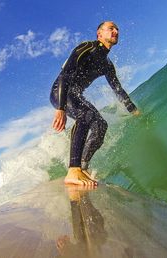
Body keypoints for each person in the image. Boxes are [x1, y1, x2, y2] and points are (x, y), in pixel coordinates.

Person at [50, 21, 140, 186]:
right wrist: (61, 109)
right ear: (99, 33)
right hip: (61, 92)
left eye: (117, 29)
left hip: (76, 95)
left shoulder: (107, 65)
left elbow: (118, 90)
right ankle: (73, 170)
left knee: (100, 125)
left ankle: (83, 168)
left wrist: (135, 111)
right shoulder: (86, 47)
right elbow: (65, 75)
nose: (116, 31)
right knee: (84, 115)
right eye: (111, 28)